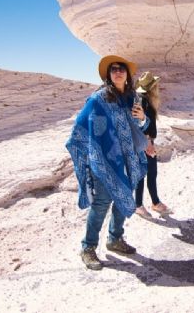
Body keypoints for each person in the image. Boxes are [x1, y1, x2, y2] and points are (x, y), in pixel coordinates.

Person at [65, 55, 150, 271]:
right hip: (104, 161)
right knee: (101, 204)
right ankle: (88, 247)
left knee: (123, 198)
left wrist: (144, 118)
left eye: (122, 68)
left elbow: (140, 125)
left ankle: (115, 239)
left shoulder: (132, 97)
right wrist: (94, 150)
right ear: (109, 75)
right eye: (113, 69)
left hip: (128, 159)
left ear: (128, 75)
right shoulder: (98, 99)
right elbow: (81, 127)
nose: (118, 72)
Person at [133, 71, 171, 217]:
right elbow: (139, 124)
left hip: (144, 142)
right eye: (156, 85)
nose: (158, 88)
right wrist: (148, 143)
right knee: (145, 174)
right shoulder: (143, 100)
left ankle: (154, 203)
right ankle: (139, 205)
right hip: (144, 143)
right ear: (152, 88)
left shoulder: (143, 99)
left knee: (150, 173)